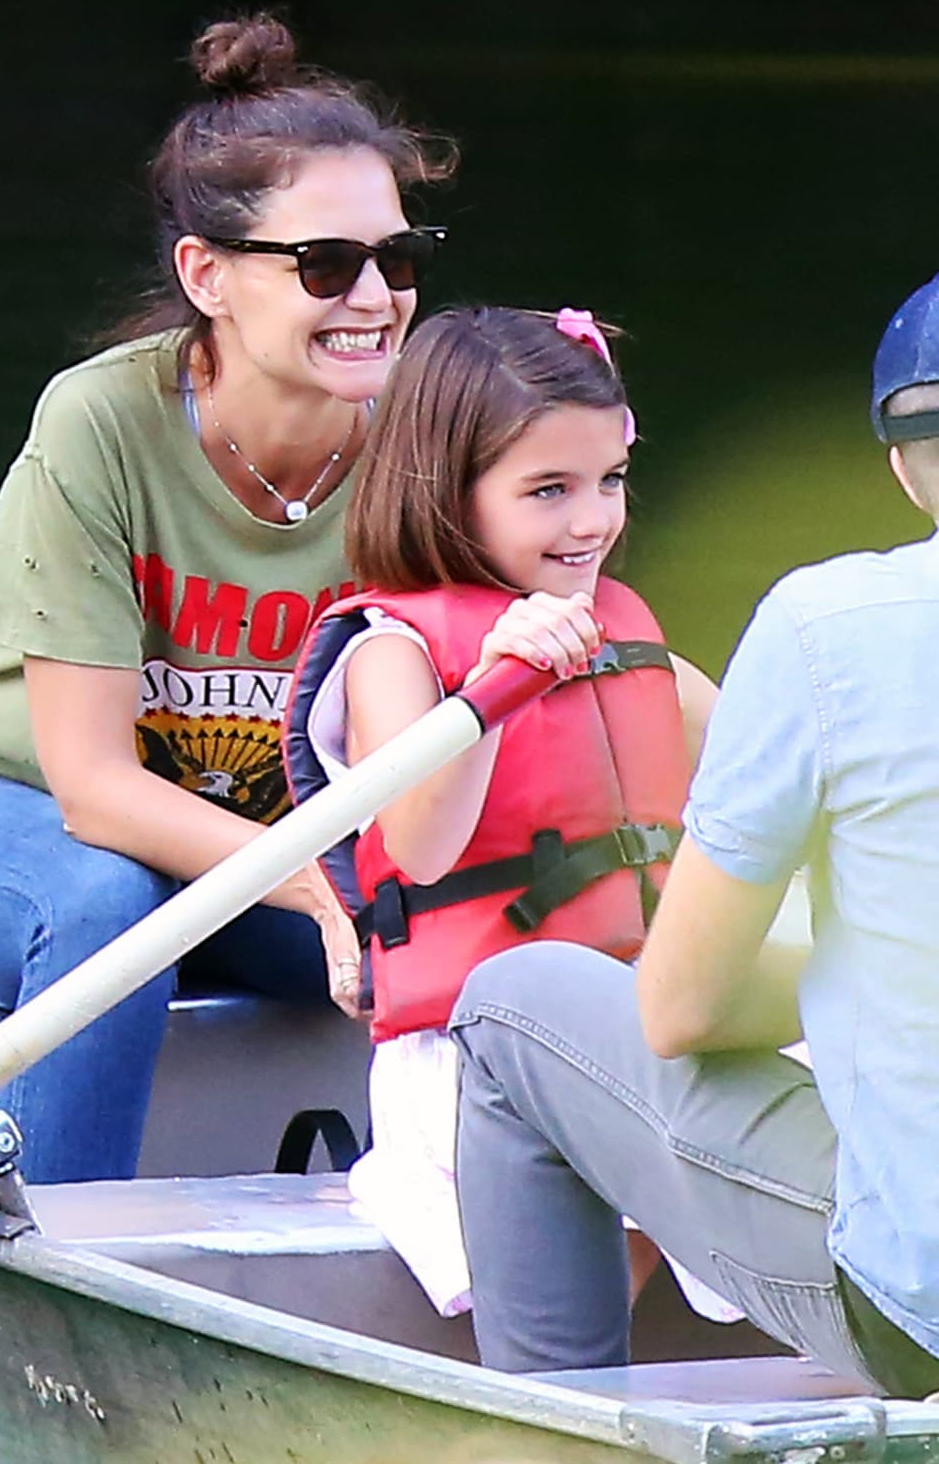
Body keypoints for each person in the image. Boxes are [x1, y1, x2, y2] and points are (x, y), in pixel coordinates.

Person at [0, 13, 455, 1184]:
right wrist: (323, 890)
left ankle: (450, 1246)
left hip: (247, 851)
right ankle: (59, 1257)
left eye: (400, 257)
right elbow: (94, 789)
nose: (374, 296)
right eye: (326, 264)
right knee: (108, 900)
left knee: (470, 930)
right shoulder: (101, 420)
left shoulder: (428, 443)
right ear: (205, 275)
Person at [451, 273, 939, 1393]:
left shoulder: (826, 627)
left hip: (921, 1313)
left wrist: (866, 972)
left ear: (904, 466)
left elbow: (679, 1009)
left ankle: (549, 1439)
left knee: (505, 1004)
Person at [283, 305, 717, 1317]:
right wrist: (491, 691)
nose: (592, 520)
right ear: (445, 491)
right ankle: (571, 1366)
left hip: (639, 1017)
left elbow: (763, 765)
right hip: (477, 1055)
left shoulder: (618, 632)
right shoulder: (393, 652)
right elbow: (423, 847)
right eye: (548, 490)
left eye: (609, 479)